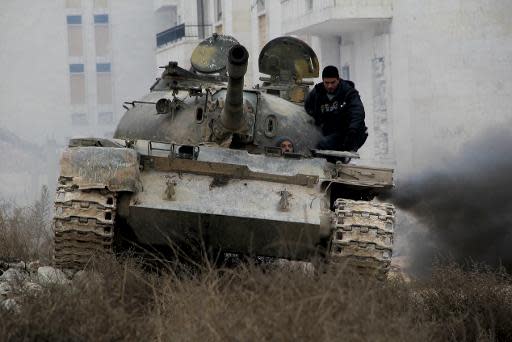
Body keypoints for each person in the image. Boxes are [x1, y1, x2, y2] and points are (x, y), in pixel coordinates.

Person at [304, 65, 368, 152]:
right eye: (326, 83)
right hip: (329, 131)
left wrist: (353, 129)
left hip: (348, 132)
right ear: (323, 81)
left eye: (333, 82)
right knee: (318, 144)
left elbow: (357, 111)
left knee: (324, 144)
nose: (330, 86)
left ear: (338, 80)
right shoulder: (317, 92)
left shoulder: (348, 92)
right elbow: (308, 107)